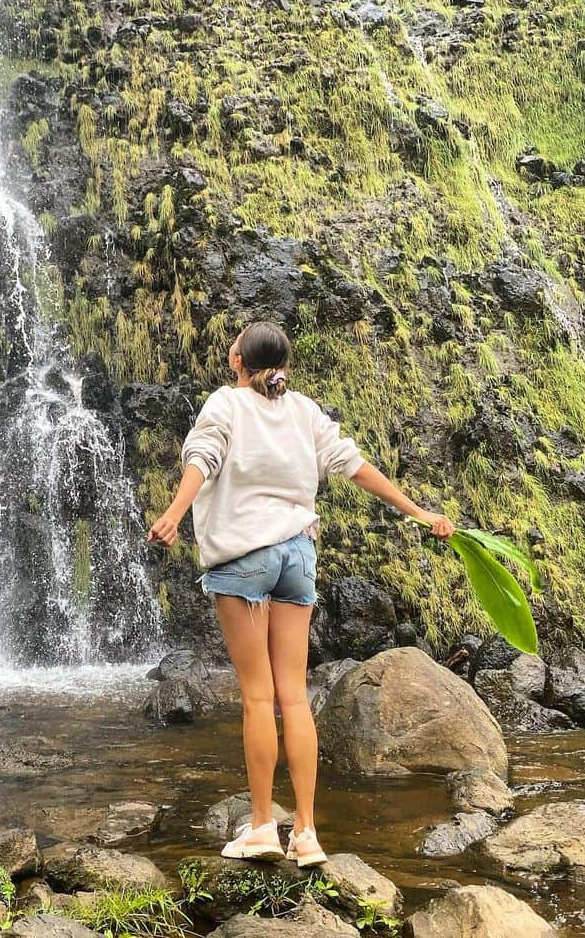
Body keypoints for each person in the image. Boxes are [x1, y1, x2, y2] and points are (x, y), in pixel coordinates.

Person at [147, 321, 455, 864]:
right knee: (294, 695)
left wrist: (174, 514)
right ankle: (307, 832)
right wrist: (419, 511)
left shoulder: (226, 404)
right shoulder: (304, 412)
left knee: (258, 697)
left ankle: (264, 824)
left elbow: (202, 460)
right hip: (297, 556)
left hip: (244, 560)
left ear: (237, 357)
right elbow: (355, 466)